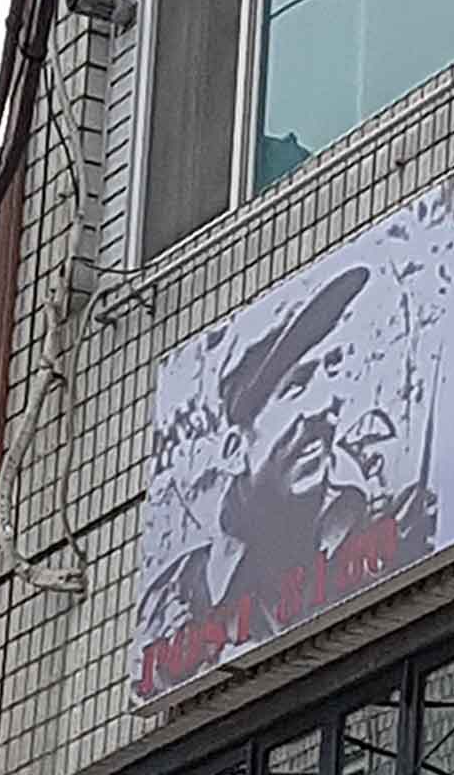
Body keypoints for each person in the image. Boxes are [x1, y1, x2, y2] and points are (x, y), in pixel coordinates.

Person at [135, 266, 375, 682]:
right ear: (233, 449)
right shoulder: (175, 599)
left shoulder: (374, 523)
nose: (325, 405)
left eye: (330, 372)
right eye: (296, 387)